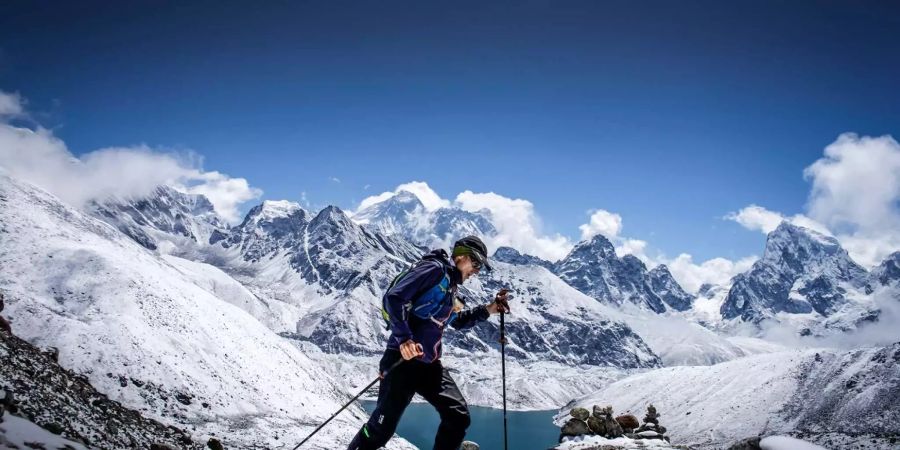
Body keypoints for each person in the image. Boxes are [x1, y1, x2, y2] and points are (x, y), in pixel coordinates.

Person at [347, 236, 510, 450]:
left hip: (429, 365)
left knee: (458, 415)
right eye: (476, 263)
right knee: (381, 430)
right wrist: (404, 339)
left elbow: (457, 321)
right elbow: (394, 298)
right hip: (401, 361)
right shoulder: (433, 270)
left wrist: (490, 309)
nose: (477, 271)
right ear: (461, 256)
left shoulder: (450, 286)